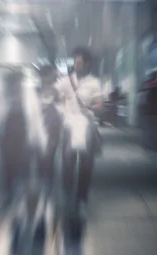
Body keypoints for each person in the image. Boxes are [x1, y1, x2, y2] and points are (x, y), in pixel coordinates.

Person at [54, 46, 102, 216]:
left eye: (80, 62)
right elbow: (55, 95)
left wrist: (91, 106)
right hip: (69, 126)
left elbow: (99, 104)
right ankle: (68, 197)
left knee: (86, 164)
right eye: (75, 61)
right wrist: (62, 111)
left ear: (87, 63)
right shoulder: (66, 80)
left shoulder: (94, 82)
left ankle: (81, 198)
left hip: (86, 126)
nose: (76, 65)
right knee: (67, 163)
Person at [0, 69, 29, 209]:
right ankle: (10, 195)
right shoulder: (3, 97)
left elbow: (34, 118)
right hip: (8, 136)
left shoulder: (27, 96)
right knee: (8, 167)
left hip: (22, 136)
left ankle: (20, 195)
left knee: (22, 166)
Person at [36, 65, 62, 192]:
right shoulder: (35, 92)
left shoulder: (55, 91)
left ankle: (48, 187)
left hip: (51, 130)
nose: (54, 78)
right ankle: (44, 186)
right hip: (38, 130)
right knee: (40, 160)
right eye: (52, 75)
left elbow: (59, 112)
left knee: (49, 159)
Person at [139, 70, 157, 151]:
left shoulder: (147, 86)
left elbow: (143, 99)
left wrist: (143, 110)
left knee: (148, 129)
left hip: (149, 112)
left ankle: (148, 145)